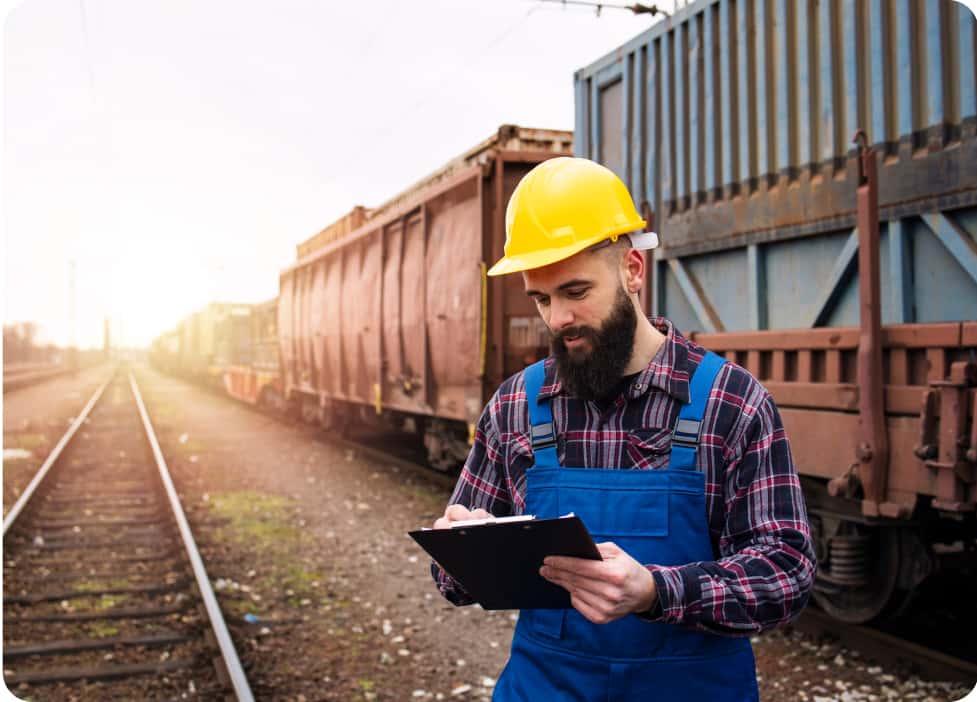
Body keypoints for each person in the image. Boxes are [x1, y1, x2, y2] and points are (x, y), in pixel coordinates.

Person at [429, 156, 816, 702]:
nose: (557, 318)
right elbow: (450, 582)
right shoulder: (516, 405)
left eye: (576, 291)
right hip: (547, 688)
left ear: (633, 269)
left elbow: (787, 570)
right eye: (542, 299)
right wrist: (464, 548)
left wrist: (658, 590)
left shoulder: (731, 402)